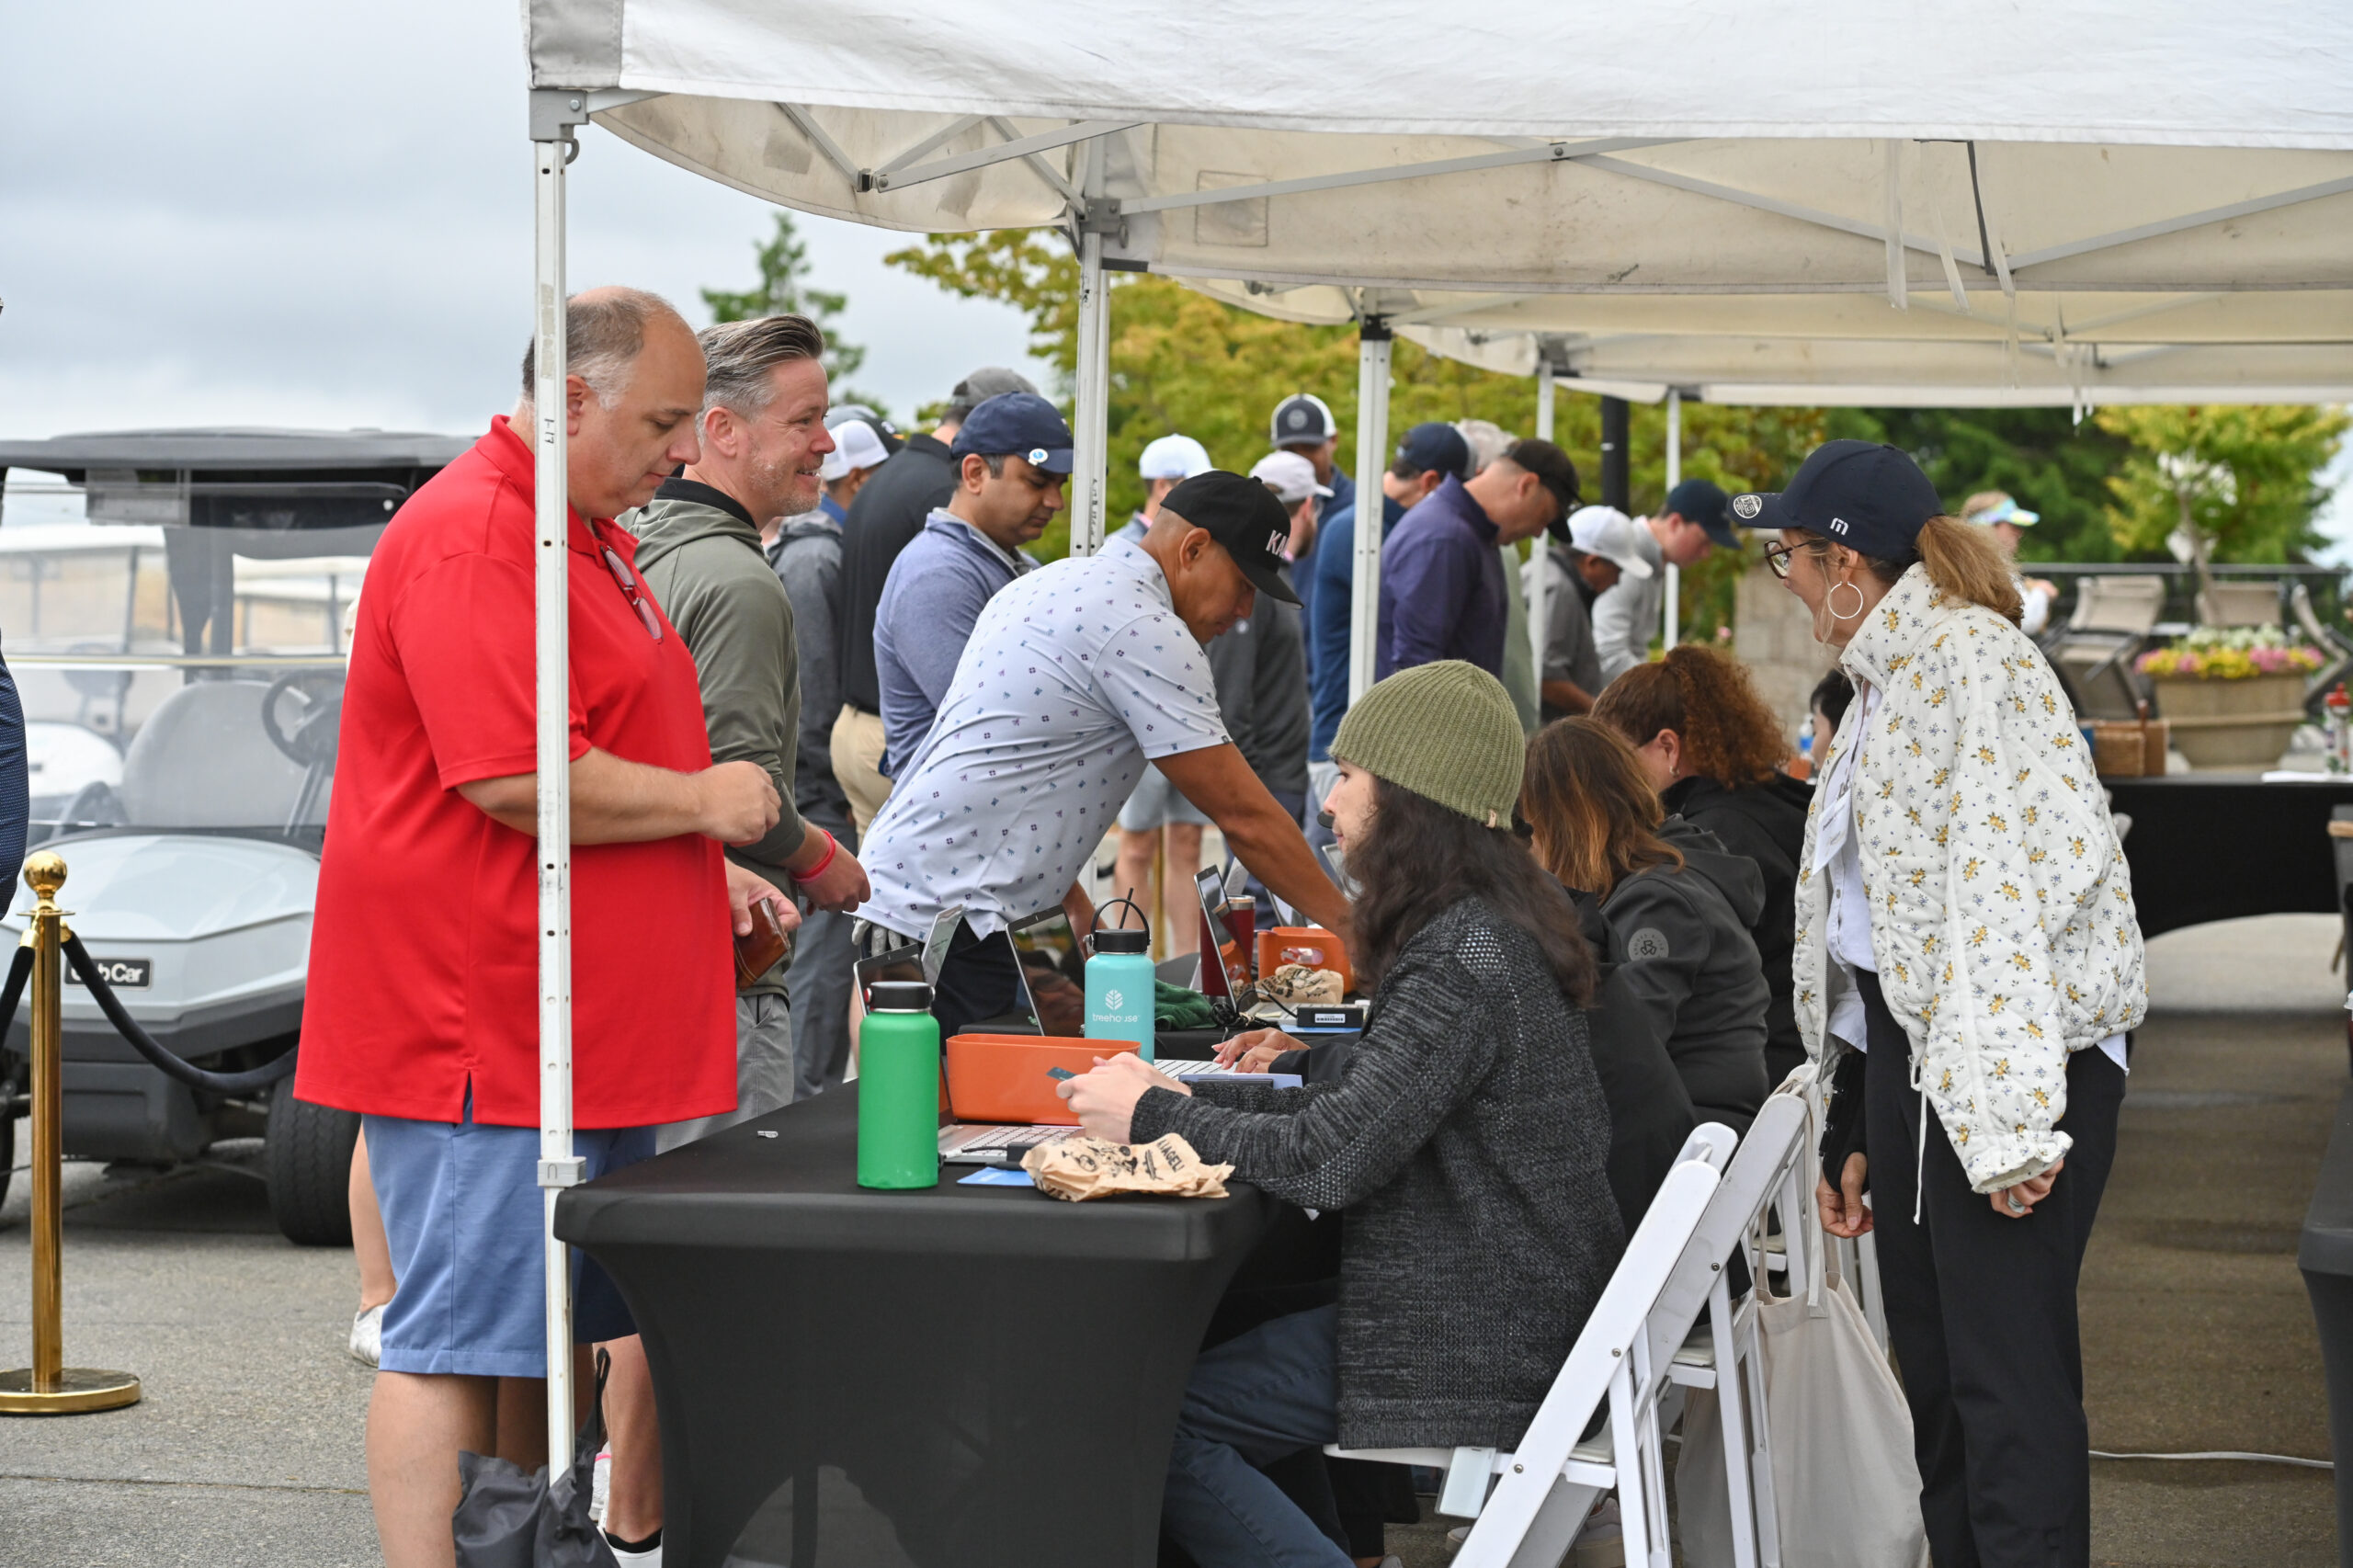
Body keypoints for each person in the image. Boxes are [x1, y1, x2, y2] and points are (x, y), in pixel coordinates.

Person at [293, 288, 787, 1568]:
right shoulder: (481, 537)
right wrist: (701, 806)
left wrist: (700, 868)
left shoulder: (578, 530)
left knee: (536, 1329)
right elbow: (512, 774)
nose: (683, 450)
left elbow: (587, 746)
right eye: (665, 421)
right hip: (485, 1016)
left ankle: (519, 1544)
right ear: (571, 399)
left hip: (561, 1020)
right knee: (454, 1336)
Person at [1055, 660, 1621, 1568]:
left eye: (1350, 776)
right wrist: (1200, 1096)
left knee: (1153, 1425)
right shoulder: (1488, 924)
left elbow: (1331, 1157)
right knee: (1216, 1342)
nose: (1330, 804)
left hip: (1472, 1329)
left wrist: (1157, 1108)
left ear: (1410, 797)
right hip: (1505, 1299)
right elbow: (1369, 1109)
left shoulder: (1461, 953)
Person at [1753, 439, 2143, 1568]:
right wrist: (1859, 1105)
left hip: (2008, 1063)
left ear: (1845, 562)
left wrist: (2011, 1123)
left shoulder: (1970, 661)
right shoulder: (1890, 675)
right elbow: (1884, 925)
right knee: (1940, 1383)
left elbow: (1997, 902)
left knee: (2004, 1383)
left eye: (1787, 554)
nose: (1781, 578)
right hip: (1933, 1061)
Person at [854, 471, 1352, 1040]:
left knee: (982, 1112)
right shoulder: (1146, 626)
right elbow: (1246, 816)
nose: (1244, 611)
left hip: (945, 901)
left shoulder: (1050, 582)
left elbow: (1019, 771)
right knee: (939, 1120)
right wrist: (1353, 933)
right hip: (948, 916)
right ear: (1192, 549)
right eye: (1243, 584)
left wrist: (1086, 928)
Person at [625, 314, 874, 1149]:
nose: (828, 442)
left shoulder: (631, 546)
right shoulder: (737, 580)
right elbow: (743, 799)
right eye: (804, 421)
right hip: (724, 969)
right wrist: (826, 860)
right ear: (721, 431)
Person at [1523, 717, 1771, 1136]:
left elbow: (1615, 1051)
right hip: (1698, 1132)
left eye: (1531, 827)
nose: (1529, 847)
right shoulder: (1667, 876)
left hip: (1691, 1145)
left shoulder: (1659, 901)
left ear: (1559, 824)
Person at [1594, 644, 1812, 1088]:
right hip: (1788, 1057)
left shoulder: (1710, 838)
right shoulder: (1765, 802)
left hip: (1757, 1077)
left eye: (1615, 762)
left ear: (1668, 747)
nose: (1608, 783)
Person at [833, 366, 1038, 835]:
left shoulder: (887, 473)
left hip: (858, 725)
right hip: (903, 733)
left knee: (877, 898)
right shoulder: (941, 491)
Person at [872, 392, 1072, 778]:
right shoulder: (937, 573)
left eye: (1061, 485)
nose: (1056, 501)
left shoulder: (1014, 564)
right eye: (1038, 481)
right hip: (948, 827)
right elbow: (991, 723)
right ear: (975, 473)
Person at [774, 414, 882, 1100]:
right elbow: (812, 692)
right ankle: (805, 1099)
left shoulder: (813, 550)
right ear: (860, 477)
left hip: (811, 786)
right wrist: (829, 788)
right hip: (817, 794)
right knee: (819, 964)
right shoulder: (819, 558)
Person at [1304, 424, 1470, 812]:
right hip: (1350, 750)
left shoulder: (1378, 524)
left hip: (1362, 744)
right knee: (1341, 871)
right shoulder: (1361, 531)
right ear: (1431, 483)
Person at [1375, 436, 1578, 680]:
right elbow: (1416, 667)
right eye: (1543, 517)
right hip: (1430, 716)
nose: (1537, 533)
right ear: (1526, 485)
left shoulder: (1469, 533)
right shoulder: (1446, 538)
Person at [1592, 478, 1738, 684]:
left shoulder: (1651, 559)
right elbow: (1607, 653)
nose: (1706, 553)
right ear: (1675, 523)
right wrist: (1666, 691)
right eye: (1704, 540)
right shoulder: (1629, 555)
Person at [1529, 504, 1653, 722]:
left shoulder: (1549, 576)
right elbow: (1546, 675)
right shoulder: (1561, 590)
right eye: (1617, 571)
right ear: (1592, 562)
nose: (1616, 582)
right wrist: (1599, 712)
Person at [1961, 489, 2060, 636]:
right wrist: (2042, 592)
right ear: (1989, 525)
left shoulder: (1965, 561)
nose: (2020, 532)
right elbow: (2024, 620)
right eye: (2014, 525)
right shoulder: (1990, 567)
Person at [1270, 392, 1352, 525]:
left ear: (1333, 440)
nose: (1300, 458)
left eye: (1310, 447)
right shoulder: (1266, 504)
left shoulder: (1359, 504)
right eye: (1289, 449)